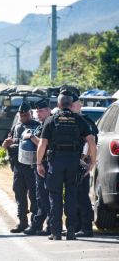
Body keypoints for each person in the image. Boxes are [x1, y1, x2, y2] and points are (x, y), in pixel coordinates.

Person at [37, 91, 97, 240]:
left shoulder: (51, 120)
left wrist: (39, 163)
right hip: (73, 162)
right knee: (71, 195)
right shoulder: (79, 120)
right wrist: (91, 162)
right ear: (71, 104)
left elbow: (42, 144)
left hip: (55, 162)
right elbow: (91, 142)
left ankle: (56, 232)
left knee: (55, 196)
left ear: (58, 104)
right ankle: (70, 231)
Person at [2, 102, 39, 233]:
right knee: (19, 194)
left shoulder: (37, 126)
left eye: (26, 115)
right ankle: (22, 222)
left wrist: (15, 142)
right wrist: (6, 144)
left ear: (31, 113)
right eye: (21, 115)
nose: (24, 117)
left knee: (34, 195)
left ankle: (35, 223)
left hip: (31, 166)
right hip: (18, 165)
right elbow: (7, 142)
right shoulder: (16, 127)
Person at [22, 99, 51, 235]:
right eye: (37, 111)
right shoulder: (42, 125)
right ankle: (38, 223)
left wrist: (32, 137)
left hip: (47, 164)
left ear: (48, 110)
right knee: (40, 196)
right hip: (39, 164)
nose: (38, 113)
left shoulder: (50, 124)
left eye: (41, 111)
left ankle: (47, 225)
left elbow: (44, 144)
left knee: (45, 196)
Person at [70, 93, 98, 238]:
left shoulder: (84, 121)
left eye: (71, 104)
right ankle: (75, 226)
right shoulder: (71, 119)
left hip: (82, 164)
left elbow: (90, 141)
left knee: (81, 195)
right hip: (70, 163)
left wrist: (85, 160)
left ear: (76, 105)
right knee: (71, 196)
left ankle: (86, 227)